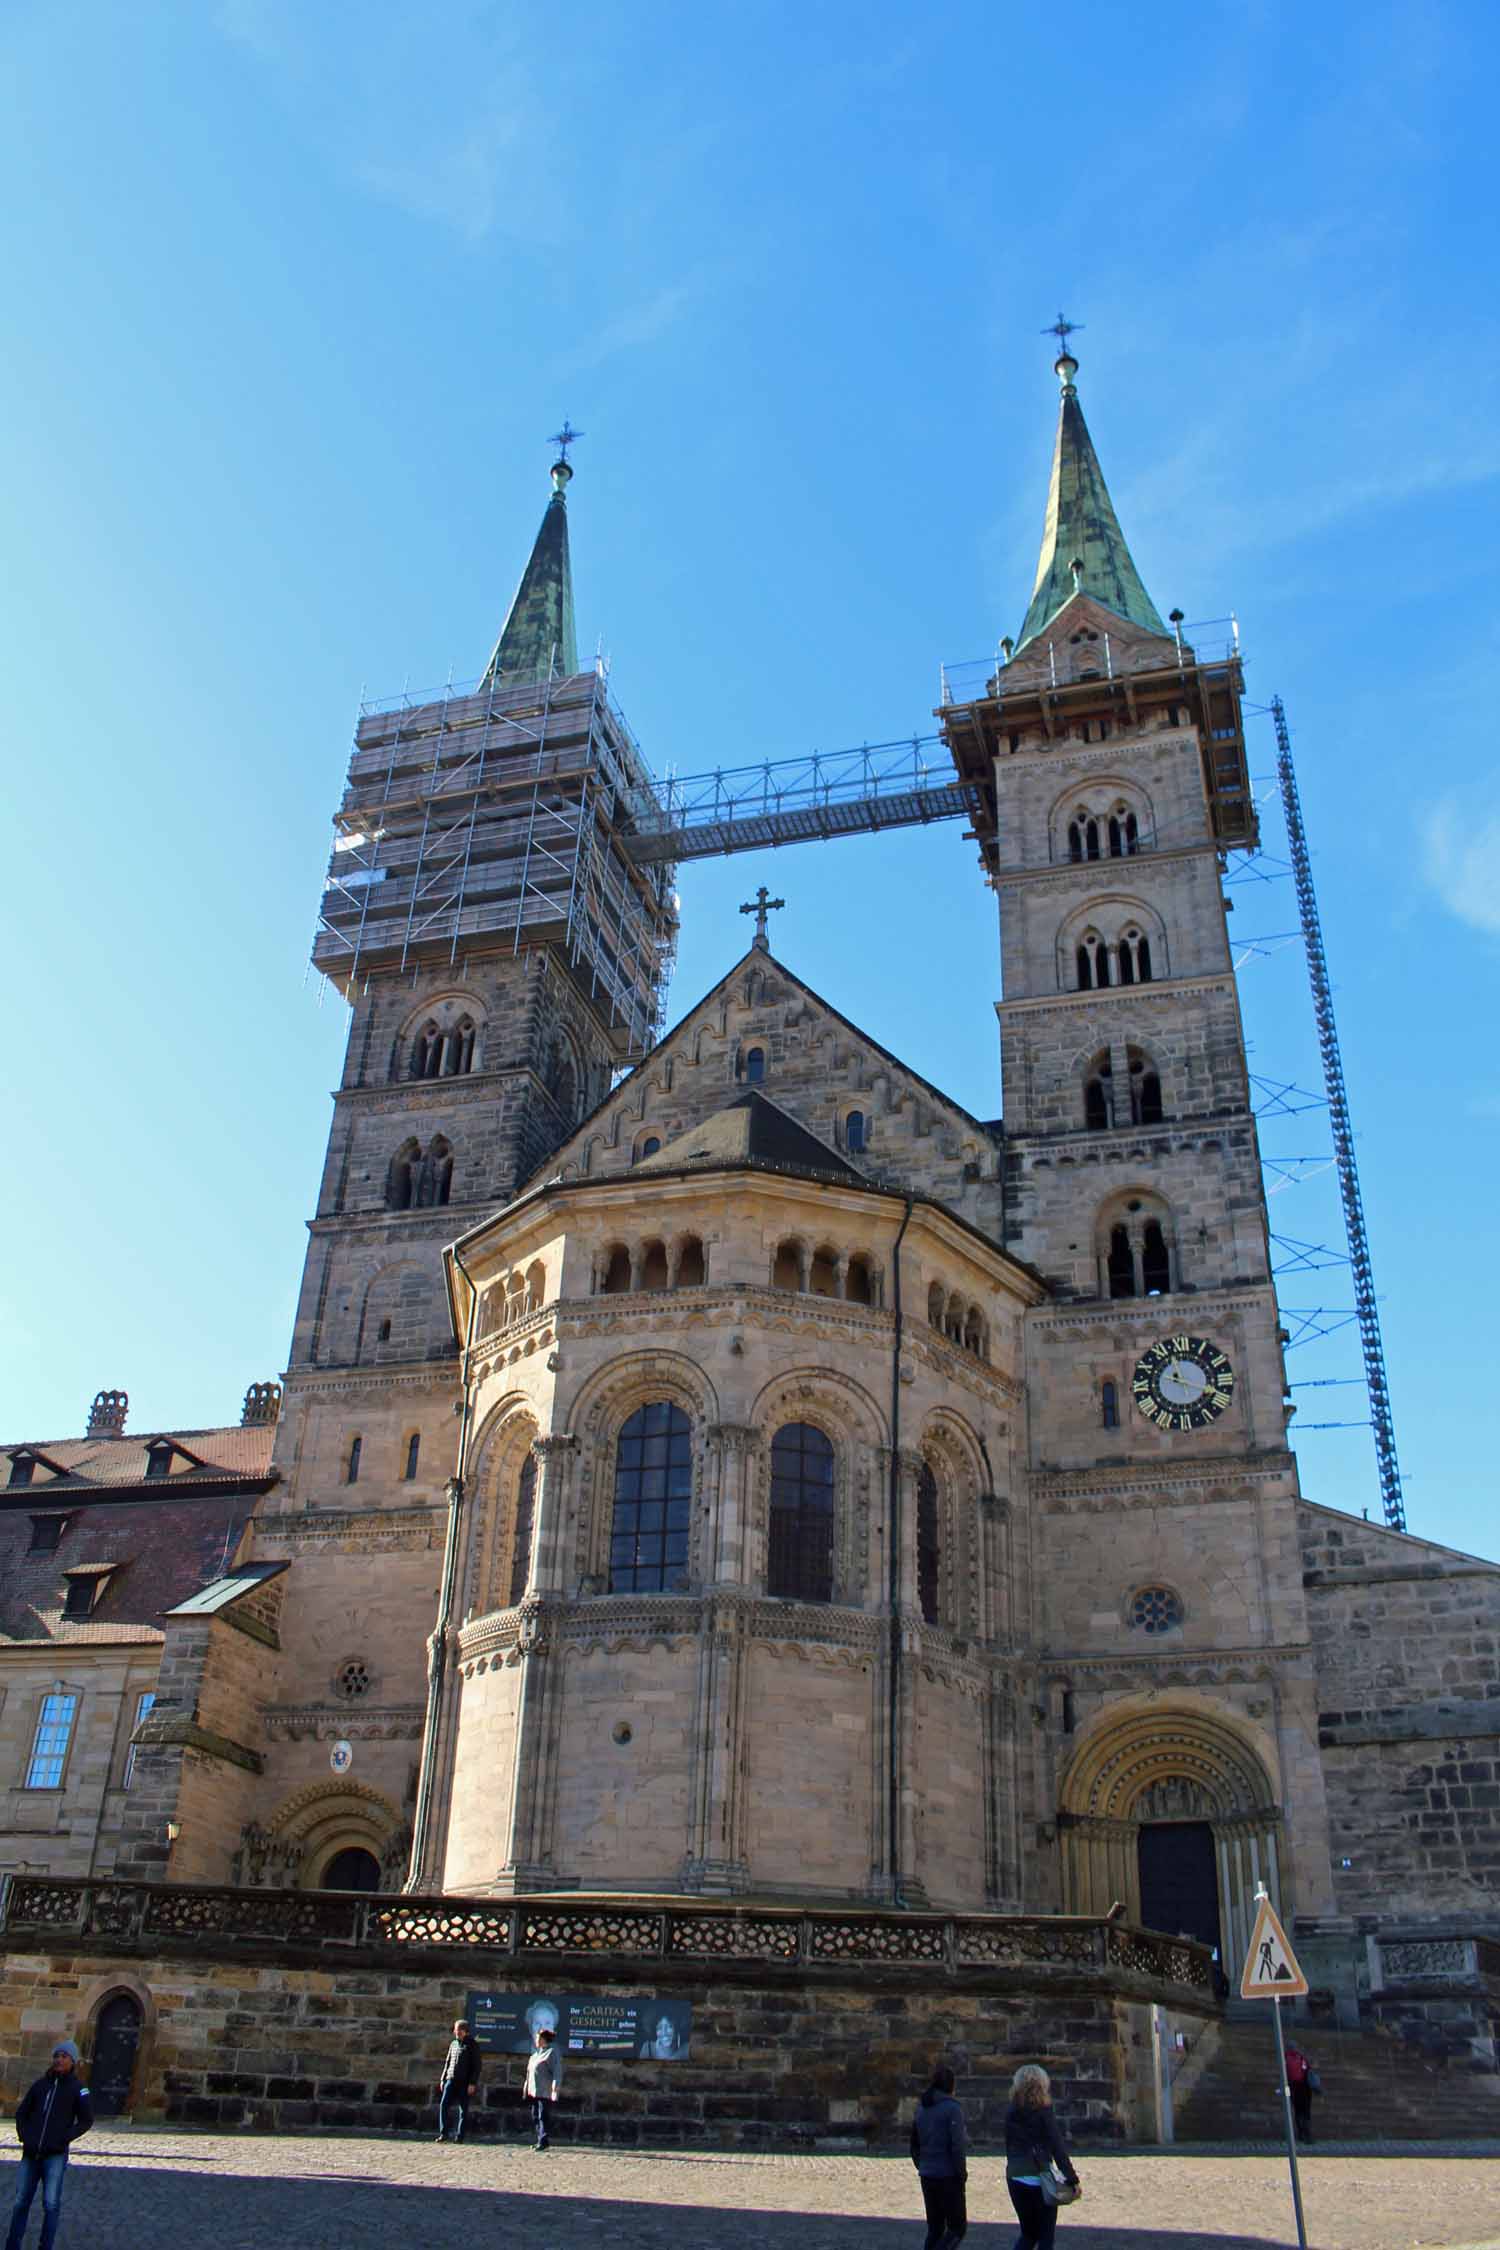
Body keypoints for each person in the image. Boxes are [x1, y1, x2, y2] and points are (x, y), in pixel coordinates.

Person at [6, 2038, 93, 2250]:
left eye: (64, 2057)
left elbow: (86, 2120)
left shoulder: (78, 2089)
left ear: (72, 2061)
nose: (59, 2060)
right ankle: (12, 2245)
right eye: (57, 2056)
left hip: (54, 2155)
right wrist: (25, 2136)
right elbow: (22, 2114)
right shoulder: (40, 2085)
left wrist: (64, 2138)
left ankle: (45, 2246)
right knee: (20, 2202)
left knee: (51, 2203)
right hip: (31, 2153)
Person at [1005, 2063, 1081, 2250]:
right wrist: (1072, 2179)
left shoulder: (1011, 2112)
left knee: (1028, 2234)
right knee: (1046, 2236)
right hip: (1039, 2176)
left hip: (1015, 2175)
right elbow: (1058, 2149)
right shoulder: (1044, 2114)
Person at [908, 2061, 967, 2250]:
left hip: (927, 2173)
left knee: (935, 2229)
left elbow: (914, 2143)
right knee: (957, 2228)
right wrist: (961, 2173)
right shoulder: (952, 2109)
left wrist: (922, 2164)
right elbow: (957, 2146)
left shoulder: (922, 2108)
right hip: (947, 2175)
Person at [436, 2017, 481, 2143]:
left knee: (463, 2110)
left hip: (464, 2082)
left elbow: (476, 2066)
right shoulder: (453, 2044)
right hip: (450, 2080)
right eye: (455, 2030)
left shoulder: (472, 2045)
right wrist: (443, 2079)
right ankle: (443, 2133)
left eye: (458, 2030)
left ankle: (460, 2136)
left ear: (464, 2031)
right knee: (443, 2105)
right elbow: (448, 2062)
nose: (455, 2032)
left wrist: (472, 2083)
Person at [523, 2023, 561, 2150]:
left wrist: (555, 2088)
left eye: (538, 2038)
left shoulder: (551, 2053)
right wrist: (525, 2088)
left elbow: (557, 2071)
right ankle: (540, 2138)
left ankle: (544, 2141)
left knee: (542, 2115)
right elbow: (529, 2073)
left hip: (545, 2091)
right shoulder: (534, 2055)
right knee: (535, 2115)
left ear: (544, 2039)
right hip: (533, 2091)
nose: (536, 2040)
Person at [1284, 2042, 1316, 2142]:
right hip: (1304, 2088)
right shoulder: (1301, 2058)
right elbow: (1307, 2070)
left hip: (1293, 2088)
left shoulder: (1285, 2058)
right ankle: (1307, 2135)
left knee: (1298, 2112)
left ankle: (1301, 2134)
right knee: (1305, 2112)